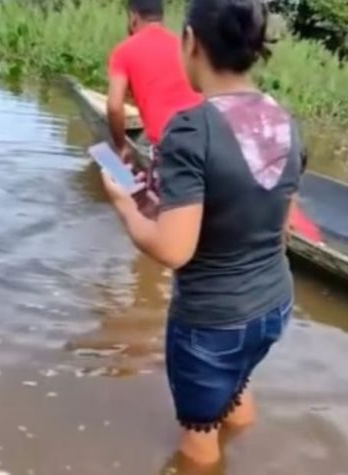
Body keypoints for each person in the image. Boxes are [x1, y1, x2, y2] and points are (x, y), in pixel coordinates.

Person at [100, 0, 305, 467]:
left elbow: (174, 249)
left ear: (190, 42)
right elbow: (279, 225)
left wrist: (123, 204)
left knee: (197, 445)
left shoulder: (190, 130)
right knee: (236, 390)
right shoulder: (285, 121)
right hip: (274, 304)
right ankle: (252, 453)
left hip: (213, 320)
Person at [107, 0, 202, 196]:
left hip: (167, 143)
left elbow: (115, 107)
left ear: (133, 17)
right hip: (203, 138)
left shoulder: (124, 51)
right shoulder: (183, 45)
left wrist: (122, 147)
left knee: (152, 206)